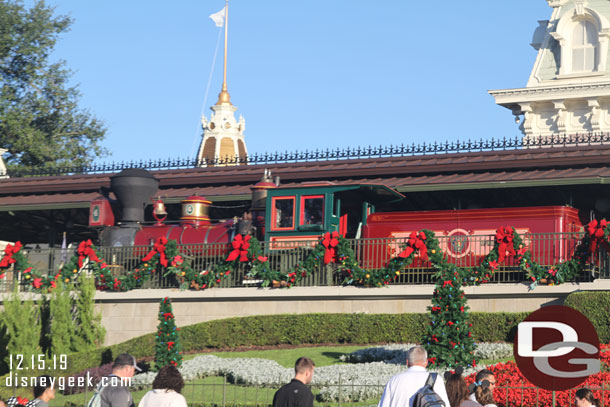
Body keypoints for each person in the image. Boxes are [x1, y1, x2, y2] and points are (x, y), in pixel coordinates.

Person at [378, 346, 450, 407]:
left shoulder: (394, 380)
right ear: (426, 362)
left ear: (407, 362)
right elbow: (444, 404)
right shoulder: (435, 379)